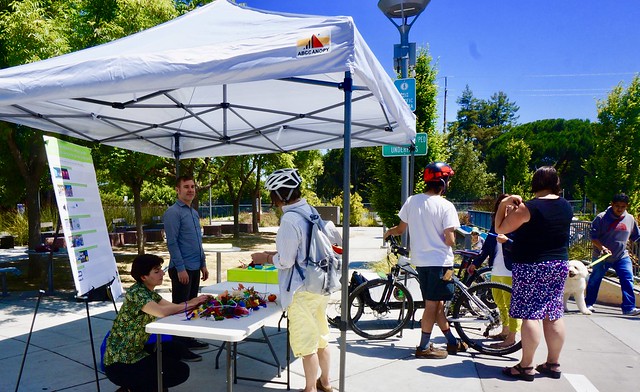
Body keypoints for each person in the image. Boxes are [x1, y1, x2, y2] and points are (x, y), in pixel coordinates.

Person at [251, 168, 341, 392]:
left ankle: (309, 389)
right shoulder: (310, 211)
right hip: (321, 284)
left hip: (301, 290)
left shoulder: (289, 220)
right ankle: (325, 383)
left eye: (272, 194)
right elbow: (334, 239)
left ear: (280, 195)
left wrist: (265, 257)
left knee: (305, 344)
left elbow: (285, 261)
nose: (271, 200)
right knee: (321, 336)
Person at [494, 166, 573, 381]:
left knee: (532, 314)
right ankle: (553, 363)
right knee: (553, 313)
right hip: (559, 264)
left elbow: (501, 229)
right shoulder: (566, 206)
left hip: (531, 265)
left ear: (535, 182)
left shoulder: (531, 207)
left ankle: (526, 366)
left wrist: (503, 204)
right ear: (556, 182)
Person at [384, 162, 465, 359]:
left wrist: (389, 232)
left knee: (435, 304)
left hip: (420, 262)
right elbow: (449, 239)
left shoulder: (412, 201)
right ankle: (423, 347)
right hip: (440, 263)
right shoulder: (446, 206)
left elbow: (401, 229)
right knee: (432, 306)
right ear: (443, 183)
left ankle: (452, 342)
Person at [104, 254, 210, 392]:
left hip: (136, 351)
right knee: (180, 371)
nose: (162, 273)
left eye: (160, 269)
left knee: (177, 348)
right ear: (144, 277)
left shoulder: (148, 292)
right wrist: (191, 303)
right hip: (121, 362)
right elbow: (162, 312)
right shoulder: (137, 294)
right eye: (156, 271)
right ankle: (132, 388)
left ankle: (148, 385)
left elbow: (171, 307)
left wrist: (196, 302)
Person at [163, 175, 210, 357]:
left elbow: (198, 242)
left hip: (194, 267)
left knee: (192, 306)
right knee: (180, 308)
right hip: (182, 270)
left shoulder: (193, 212)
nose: (190, 190)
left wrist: (203, 264)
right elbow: (172, 243)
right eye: (186, 187)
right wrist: (181, 268)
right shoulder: (173, 213)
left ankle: (188, 339)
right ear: (177, 189)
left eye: (192, 186)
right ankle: (178, 348)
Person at [468, 194, 521, 348]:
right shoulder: (495, 226)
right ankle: (505, 331)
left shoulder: (518, 223)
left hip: (511, 270)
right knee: (499, 301)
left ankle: (512, 336)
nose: (506, 208)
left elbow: (523, 245)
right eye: (503, 205)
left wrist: (508, 241)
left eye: (510, 205)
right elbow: (486, 249)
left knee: (512, 304)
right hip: (496, 269)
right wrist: (475, 263)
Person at [585, 193, 640, 316]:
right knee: (595, 279)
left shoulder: (630, 219)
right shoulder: (601, 218)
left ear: (627, 206)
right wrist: (602, 248)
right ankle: (588, 304)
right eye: (617, 206)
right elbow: (593, 237)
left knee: (627, 279)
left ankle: (629, 308)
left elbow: (636, 237)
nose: (620, 209)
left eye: (623, 207)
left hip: (622, 256)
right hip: (602, 256)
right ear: (612, 204)